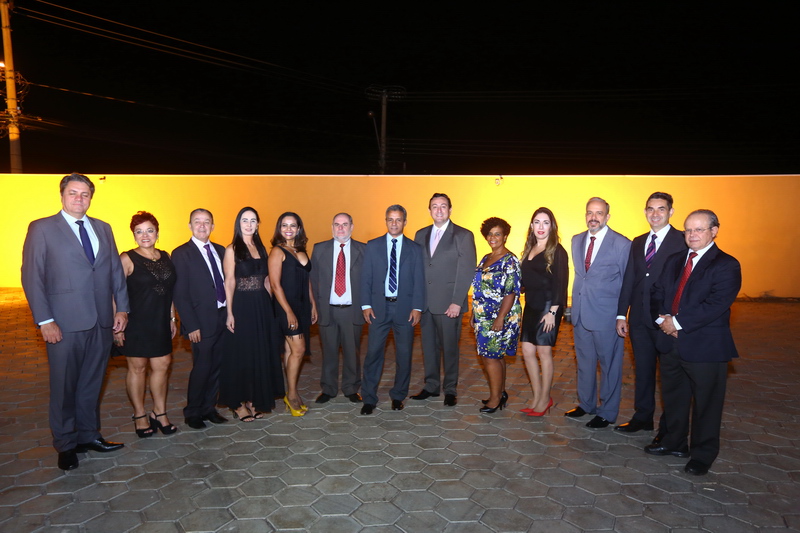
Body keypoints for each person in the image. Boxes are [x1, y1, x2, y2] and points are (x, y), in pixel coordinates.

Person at [22, 173, 129, 471]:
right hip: (64, 323)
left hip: (101, 322)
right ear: (62, 195)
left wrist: (122, 309)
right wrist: (45, 320)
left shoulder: (103, 228)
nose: (79, 198)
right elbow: (32, 276)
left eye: (85, 194)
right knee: (64, 387)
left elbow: (115, 273)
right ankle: (66, 444)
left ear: (91, 198)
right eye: (73, 193)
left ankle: (88, 435)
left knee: (92, 384)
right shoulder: (42, 228)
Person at [645, 209, 741, 476]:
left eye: (699, 229)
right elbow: (657, 292)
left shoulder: (727, 264)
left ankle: (702, 455)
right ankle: (674, 442)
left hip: (705, 347)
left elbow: (716, 304)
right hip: (670, 343)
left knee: (706, 405)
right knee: (674, 397)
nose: (692, 234)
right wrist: (662, 320)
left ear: (714, 231)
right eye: (688, 229)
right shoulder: (675, 260)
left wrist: (677, 323)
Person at [615, 192, 687, 439]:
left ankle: (668, 429)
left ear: (671, 212)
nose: (655, 214)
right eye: (651, 209)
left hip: (667, 321)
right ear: (645, 212)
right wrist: (621, 314)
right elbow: (629, 279)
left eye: (661, 209)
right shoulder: (638, 242)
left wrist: (677, 318)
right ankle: (643, 417)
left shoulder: (682, 240)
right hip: (638, 320)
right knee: (643, 371)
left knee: (669, 377)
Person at [567, 197, 631, 428]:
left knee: (609, 366)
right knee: (584, 363)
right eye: (589, 213)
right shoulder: (576, 240)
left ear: (607, 216)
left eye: (599, 213)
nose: (593, 217)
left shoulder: (622, 244)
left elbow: (627, 283)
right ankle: (586, 404)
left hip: (607, 316)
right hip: (581, 314)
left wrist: (622, 315)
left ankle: (607, 412)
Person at [115, 211, 178, 438]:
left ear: (157, 233)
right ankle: (140, 415)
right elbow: (115, 292)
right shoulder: (127, 258)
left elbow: (169, 291)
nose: (145, 235)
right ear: (133, 235)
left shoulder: (166, 256)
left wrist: (172, 317)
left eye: (149, 230)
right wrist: (117, 326)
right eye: (139, 231)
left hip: (160, 320)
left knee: (163, 365)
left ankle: (159, 413)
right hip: (136, 323)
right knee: (138, 368)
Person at [411, 193, 476, 407]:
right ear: (429, 210)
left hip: (449, 305)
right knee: (428, 348)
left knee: (449, 349)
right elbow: (417, 269)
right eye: (434, 206)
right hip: (426, 304)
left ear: (450, 209)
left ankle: (450, 389)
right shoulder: (420, 234)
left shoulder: (463, 235)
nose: (439, 210)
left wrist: (457, 301)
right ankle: (431, 386)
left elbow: (466, 270)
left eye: (443, 206)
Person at [220, 207, 285, 421]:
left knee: (259, 353)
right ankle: (238, 403)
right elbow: (229, 281)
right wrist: (230, 313)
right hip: (242, 306)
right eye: (245, 220)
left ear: (258, 224)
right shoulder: (232, 249)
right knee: (243, 354)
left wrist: (270, 307)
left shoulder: (262, 248)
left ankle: (253, 400)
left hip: (261, 306)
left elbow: (266, 280)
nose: (249, 224)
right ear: (238, 224)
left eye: (253, 220)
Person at [360, 205, 425, 415]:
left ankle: (398, 396)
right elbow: (366, 277)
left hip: (405, 309)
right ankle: (369, 398)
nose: (394, 223)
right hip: (378, 308)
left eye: (398, 220)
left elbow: (419, 280)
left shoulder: (415, 249)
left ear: (405, 222)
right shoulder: (373, 246)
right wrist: (366, 305)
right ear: (385, 221)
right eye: (390, 219)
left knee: (404, 355)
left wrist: (417, 307)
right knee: (373, 354)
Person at [172, 209, 229, 430]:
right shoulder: (181, 253)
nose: (202, 226)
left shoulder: (221, 250)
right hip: (200, 321)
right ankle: (192, 412)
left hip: (223, 317)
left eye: (207, 222)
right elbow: (180, 293)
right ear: (190, 225)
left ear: (213, 226)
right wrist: (191, 325)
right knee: (202, 367)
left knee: (217, 366)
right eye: (197, 222)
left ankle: (209, 408)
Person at [310, 213, 366, 404]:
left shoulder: (363, 250)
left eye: (344, 224)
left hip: (352, 310)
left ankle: (351, 388)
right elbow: (313, 280)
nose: (340, 228)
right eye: (337, 224)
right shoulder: (319, 249)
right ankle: (328, 388)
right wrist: (313, 306)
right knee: (329, 351)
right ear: (332, 227)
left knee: (352, 352)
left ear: (352, 227)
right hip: (327, 310)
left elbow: (370, 281)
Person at [519, 208, 568, 417]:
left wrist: (553, 312)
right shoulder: (529, 248)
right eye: (537, 222)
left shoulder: (557, 250)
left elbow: (561, 283)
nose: (541, 227)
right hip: (531, 306)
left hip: (549, 307)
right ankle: (537, 396)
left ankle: (545, 398)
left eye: (545, 222)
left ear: (552, 226)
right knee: (527, 351)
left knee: (544, 352)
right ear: (531, 226)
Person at [269, 212, 317, 417]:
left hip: (302, 306)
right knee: (299, 349)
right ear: (279, 229)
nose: (288, 229)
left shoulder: (300, 250)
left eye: (293, 225)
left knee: (291, 351)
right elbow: (275, 285)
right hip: (285, 307)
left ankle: (291, 393)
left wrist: (313, 304)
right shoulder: (277, 251)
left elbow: (306, 280)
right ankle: (292, 395)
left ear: (299, 229)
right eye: (284, 225)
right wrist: (288, 311)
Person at [471, 217, 522, 414]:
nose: (493, 238)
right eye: (490, 234)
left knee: (490, 356)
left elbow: (511, 292)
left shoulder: (510, 261)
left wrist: (500, 318)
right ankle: (499, 393)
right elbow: (480, 288)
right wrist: (475, 314)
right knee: (495, 356)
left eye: (497, 234)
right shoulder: (486, 258)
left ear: (505, 236)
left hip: (501, 316)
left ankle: (495, 399)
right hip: (483, 316)